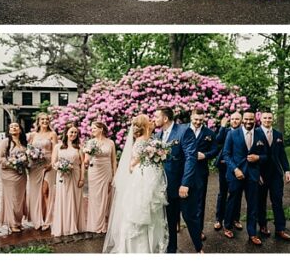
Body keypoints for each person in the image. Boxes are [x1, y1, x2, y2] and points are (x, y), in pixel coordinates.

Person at [102, 115, 168, 253]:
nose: (151, 121)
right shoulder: (140, 141)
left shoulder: (151, 139)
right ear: (144, 126)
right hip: (142, 179)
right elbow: (132, 164)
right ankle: (138, 249)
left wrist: (157, 155)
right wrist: (151, 155)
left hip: (152, 177)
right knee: (141, 209)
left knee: (153, 210)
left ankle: (151, 247)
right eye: (148, 120)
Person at [153, 107, 202, 253]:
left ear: (165, 118)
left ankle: (199, 248)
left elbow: (191, 158)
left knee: (189, 217)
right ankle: (171, 250)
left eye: (156, 116)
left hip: (183, 186)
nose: (154, 119)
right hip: (166, 186)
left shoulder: (184, 131)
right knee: (170, 220)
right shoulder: (157, 136)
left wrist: (185, 184)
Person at [222, 110, 269, 246]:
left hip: (252, 175)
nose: (249, 122)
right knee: (233, 201)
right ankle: (228, 226)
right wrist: (235, 169)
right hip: (236, 174)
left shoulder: (260, 134)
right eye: (246, 119)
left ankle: (252, 233)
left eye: (251, 120)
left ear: (255, 120)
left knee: (253, 204)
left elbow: (266, 155)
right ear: (243, 120)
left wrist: (258, 157)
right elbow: (226, 154)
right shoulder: (232, 133)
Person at [257, 111, 290, 241]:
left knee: (277, 201)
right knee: (260, 202)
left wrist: (287, 170)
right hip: (261, 175)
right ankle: (262, 226)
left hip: (276, 175)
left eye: (269, 118)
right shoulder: (255, 133)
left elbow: (282, 154)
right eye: (265, 118)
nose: (267, 120)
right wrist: (256, 174)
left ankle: (280, 229)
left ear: (273, 119)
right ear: (260, 119)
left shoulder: (278, 134)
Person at [188, 109, 218, 242]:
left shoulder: (210, 133)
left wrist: (205, 155)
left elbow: (216, 150)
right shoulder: (183, 131)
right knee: (181, 200)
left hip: (200, 172)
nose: (198, 122)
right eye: (195, 119)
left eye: (200, 120)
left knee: (200, 201)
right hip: (183, 172)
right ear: (191, 117)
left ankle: (198, 230)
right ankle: (178, 224)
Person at [51, 125, 86, 237]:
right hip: (62, 176)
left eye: (75, 133)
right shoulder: (58, 147)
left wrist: (82, 178)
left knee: (74, 200)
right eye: (71, 132)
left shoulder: (79, 148)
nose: (73, 134)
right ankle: (64, 226)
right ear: (66, 133)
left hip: (75, 176)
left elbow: (82, 165)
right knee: (63, 199)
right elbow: (53, 163)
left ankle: (74, 225)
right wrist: (61, 167)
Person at [213, 112, 244, 231]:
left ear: (241, 120)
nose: (235, 121)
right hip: (224, 165)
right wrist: (222, 126)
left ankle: (235, 219)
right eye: (233, 119)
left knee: (236, 193)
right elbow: (218, 140)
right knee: (223, 192)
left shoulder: (243, 133)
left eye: (237, 119)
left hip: (238, 167)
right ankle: (219, 219)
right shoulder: (225, 131)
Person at [84, 121, 117, 234]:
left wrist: (114, 175)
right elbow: (86, 160)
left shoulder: (111, 143)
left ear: (101, 129)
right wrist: (86, 160)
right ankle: (94, 225)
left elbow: (113, 160)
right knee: (94, 197)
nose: (92, 130)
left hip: (106, 171)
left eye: (94, 128)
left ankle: (104, 223)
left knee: (105, 197)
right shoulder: (90, 142)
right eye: (91, 128)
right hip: (94, 172)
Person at [26, 113, 57, 230]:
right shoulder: (33, 135)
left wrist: (52, 163)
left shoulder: (52, 134)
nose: (45, 121)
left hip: (48, 164)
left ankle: (48, 220)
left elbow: (55, 150)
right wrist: (29, 157)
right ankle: (38, 218)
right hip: (35, 165)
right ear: (38, 121)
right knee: (36, 192)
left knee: (46, 191)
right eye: (42, 119)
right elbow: (28, 149)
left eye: (47, 119)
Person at [0, 122, 28, 233]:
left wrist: (26, 162)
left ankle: (18, 222)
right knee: (12, 199)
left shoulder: (23, 142)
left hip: (21, 174)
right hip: (9, 174)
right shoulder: (5, 142)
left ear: (20, 130)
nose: (14, 128)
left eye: (16, 126)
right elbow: (0, 158)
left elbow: (27, 157)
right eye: (11, 127)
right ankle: (12, 223)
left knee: (19, 199)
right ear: (9, 130)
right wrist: (13, 164)